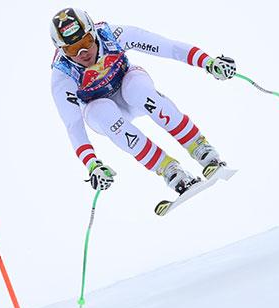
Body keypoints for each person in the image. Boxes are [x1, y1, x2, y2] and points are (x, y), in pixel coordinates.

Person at [50, 8, 236, 194]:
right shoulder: (62, 75)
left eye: (87, 41)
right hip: (101, 111)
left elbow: (167, 47)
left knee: (136, 90)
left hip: (129, 88)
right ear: (62, 50)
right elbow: (73, 125)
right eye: (73, 49)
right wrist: (92, 164)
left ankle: (199, 147)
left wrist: (208, 62)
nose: (83, 52)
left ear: (93, 32)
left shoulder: (111, 35)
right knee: (101, 111)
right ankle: (170, 171)